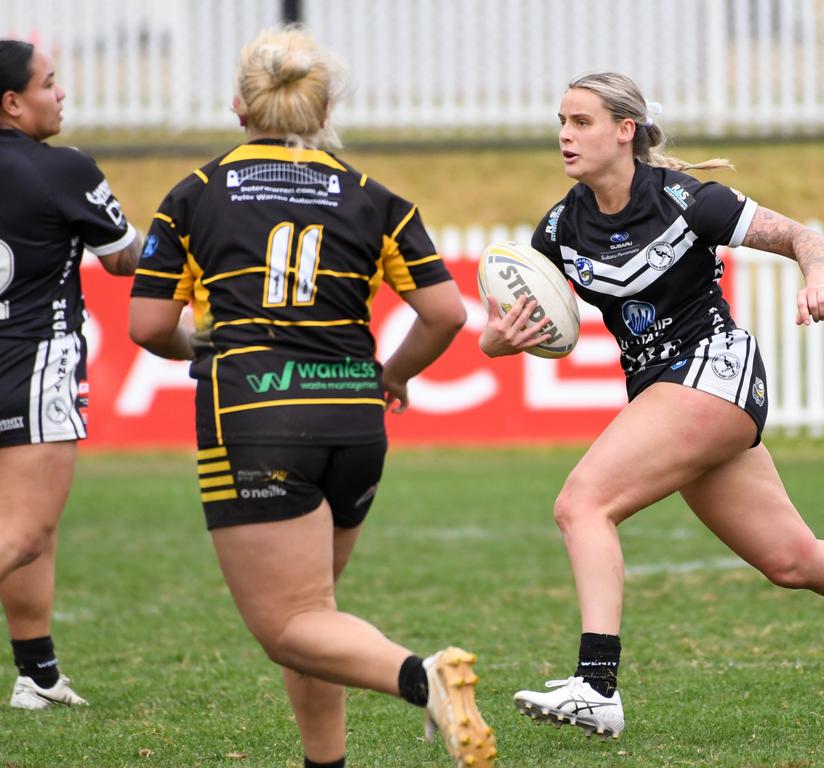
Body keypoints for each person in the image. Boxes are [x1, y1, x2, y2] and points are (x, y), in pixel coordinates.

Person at [479, 71, 824, 739]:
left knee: (582, 503)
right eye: (561, 120)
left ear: (624, 131)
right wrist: (499, 342)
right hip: (665, 389)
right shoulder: (560, 227)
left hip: (714, 369)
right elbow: (527, 324)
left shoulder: (689, 200)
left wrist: (820, 276)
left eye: (581, 121)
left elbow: (802, 238)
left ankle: (597, 685)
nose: (564, 134)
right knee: (792, 559)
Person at [127, 26, 495, 768]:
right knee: (314, 619)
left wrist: (205, 346)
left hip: (256, 418)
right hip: (355, 419)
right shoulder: (374, 197)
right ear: (324, 109)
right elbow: (448, 314)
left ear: (239, 106)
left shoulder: (195, 194)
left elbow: (146, 326)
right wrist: (393, 376)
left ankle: (418, 676)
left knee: (288, 625)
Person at [0, 40, 141, 709]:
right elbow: (124, 257)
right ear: (12, 102)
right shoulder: (62, 169)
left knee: (28, 529)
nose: (62, 96)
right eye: (50, 84)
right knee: (25, 531)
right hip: (33, 361)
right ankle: (38, 675)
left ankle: (40, 674)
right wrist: (193, 228)